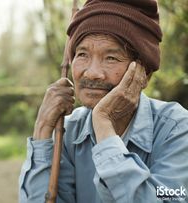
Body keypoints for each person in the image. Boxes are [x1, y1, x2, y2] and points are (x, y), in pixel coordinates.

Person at [18, 0, 188, 202]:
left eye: (111, 58)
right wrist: (42, 129)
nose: (92, 73)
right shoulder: (68, 131)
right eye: (82, 55)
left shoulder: (177, 129)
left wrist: (104, 126)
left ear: (144, 74)